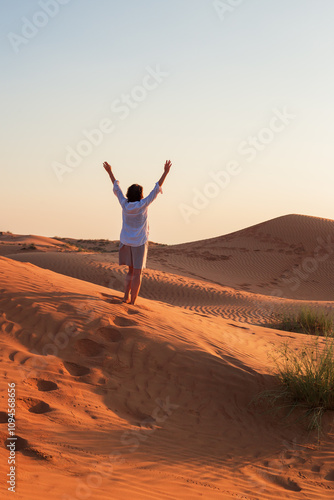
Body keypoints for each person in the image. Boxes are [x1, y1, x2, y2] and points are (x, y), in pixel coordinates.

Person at [103, 160, 172, 305]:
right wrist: (165, 172)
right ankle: (132, 302)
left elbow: (117, 188)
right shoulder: (143, 204)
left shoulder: (124, 204)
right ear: (140, 195)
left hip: (126, 241)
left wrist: (109, 171)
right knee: (137, 273)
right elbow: (156, 189)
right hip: (139, 243)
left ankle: (124, 297)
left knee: (130, 271)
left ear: (129, 194)